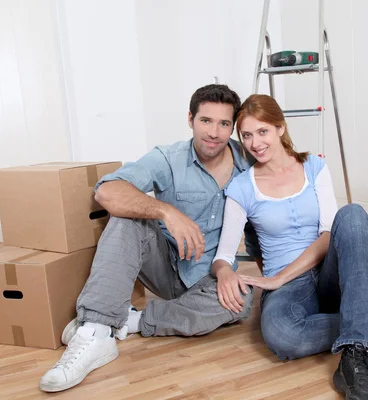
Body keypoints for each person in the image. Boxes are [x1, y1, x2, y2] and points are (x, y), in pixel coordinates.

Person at [39, 84, 261, 392]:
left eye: (224, 124)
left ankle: (128, 322)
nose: (214, 132)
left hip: (211, 278)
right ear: (190, 119)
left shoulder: (248, 163)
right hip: (165, 265)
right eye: (205, 121)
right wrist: (166, 212)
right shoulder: (168, 158)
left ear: (233, 126)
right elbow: (107, 190)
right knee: (127, 219)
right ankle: (94, 332)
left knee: (241, 301)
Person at [211, 94, 368, 399]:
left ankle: (355, 356)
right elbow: (224, 255)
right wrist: (224, 271)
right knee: (282, 336)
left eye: (262, 131)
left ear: (280, 127)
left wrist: (275, 277)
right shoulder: (241, 188)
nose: (255, 143)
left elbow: (330, 234)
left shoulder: (313, 166)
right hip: (288, 288)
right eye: (246, 135)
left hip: (329, 272)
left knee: (352, 214)